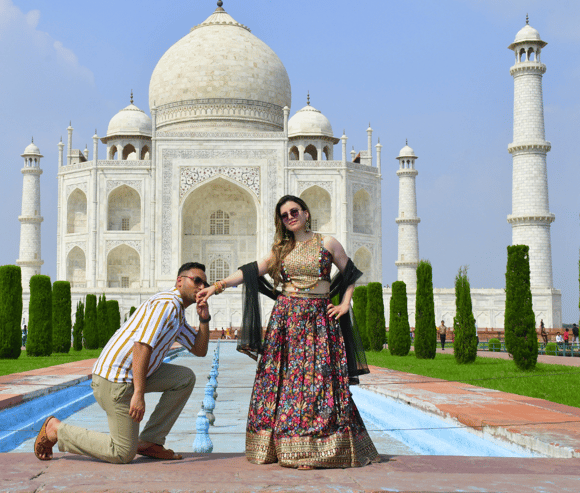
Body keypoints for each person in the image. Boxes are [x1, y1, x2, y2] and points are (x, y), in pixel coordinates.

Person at [198, 195, 378, 469]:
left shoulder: (326, 242)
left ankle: (317, 449)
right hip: (287, 322)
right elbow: (251, 270)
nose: (290, 216)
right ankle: (287, 448)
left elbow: (350, 271)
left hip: (319, 320)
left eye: (294, 211)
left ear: (306, 213)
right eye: (284, 215)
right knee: (285, 384)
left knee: (318, 384)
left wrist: (344, 303)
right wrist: (217, 286)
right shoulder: (281, 250)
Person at [34, 262, 213, 463]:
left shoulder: (177, 312)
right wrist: (138, 393)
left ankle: (149, 441)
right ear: (180, 281)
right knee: (122, 452)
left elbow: (200, 350)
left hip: (127, 376)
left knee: (185, 378)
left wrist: (204, 319)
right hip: (115, 381)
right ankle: (56, 430)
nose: (201, 287)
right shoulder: (167, 304)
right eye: (197, 280)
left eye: (205, 284)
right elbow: (142, 345)